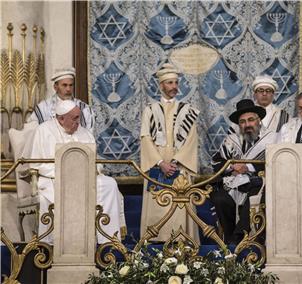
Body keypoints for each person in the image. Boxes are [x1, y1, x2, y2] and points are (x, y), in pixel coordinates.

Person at [30, 99, 126, 244]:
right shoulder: (43, 130)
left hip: (84, 178)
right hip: (55, 179)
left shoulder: (84, 133)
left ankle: (108, 239)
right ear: (61, 119)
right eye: (74, 118)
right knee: (50, 198)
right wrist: (66, 172)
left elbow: (95, 161)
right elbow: (37, 163)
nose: (78, 122)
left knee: (109, 184)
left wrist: (91, 170)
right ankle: (55, 243)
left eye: (79, 117)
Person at [140, 63, 200, 242]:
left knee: (179, 206)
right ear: (161, 85)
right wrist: (160, 163)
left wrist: (174, 163)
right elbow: (145, 138)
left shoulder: (187, 110)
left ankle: (181, 238)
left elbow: (191, 140)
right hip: (157, 165)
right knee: (158, 202)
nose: (174, 87)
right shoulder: (150, 110)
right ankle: (155, 239)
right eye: (170, 83)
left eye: (176, 83)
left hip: (179, 166)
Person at [210, 99, 277, 244]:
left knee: (255, 194)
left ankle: (240, 239)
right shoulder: (232, 140)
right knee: (219, 198)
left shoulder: (272, 139)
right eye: (242, 122)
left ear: (259, 121)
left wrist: (248, 167)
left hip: (260, 184)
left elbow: (277, 163)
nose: (247, 125)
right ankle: (228, 240)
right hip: (234, 186)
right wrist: (232, 167)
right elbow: (216, 162)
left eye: (251, 120)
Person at [27, 67, 94, 132]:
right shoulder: (43, 108)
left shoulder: (84, 108)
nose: (68, 89)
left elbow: (89, 135)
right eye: (64, 85)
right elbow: (33, 133)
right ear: (55, 87)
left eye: (71, 85)